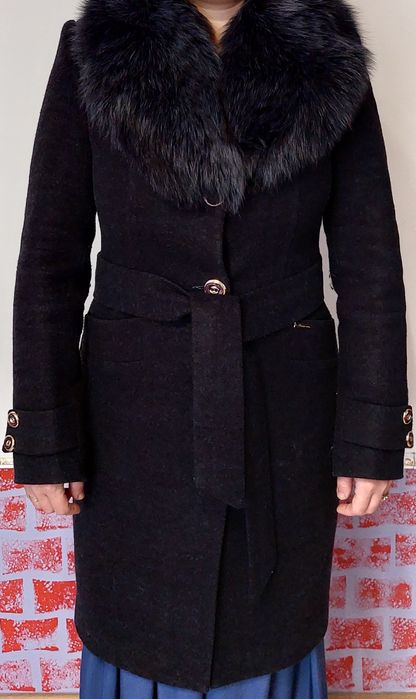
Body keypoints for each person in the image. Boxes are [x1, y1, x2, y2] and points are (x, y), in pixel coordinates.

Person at [2, 0, 413, 697]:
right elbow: (49, 261)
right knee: (137, 633)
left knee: (272, 632)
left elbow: (370, 264)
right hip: (131, 423)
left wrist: (372, 434)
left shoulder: (329, 58)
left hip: (284, 415)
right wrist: (45, 436)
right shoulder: (93, 52)